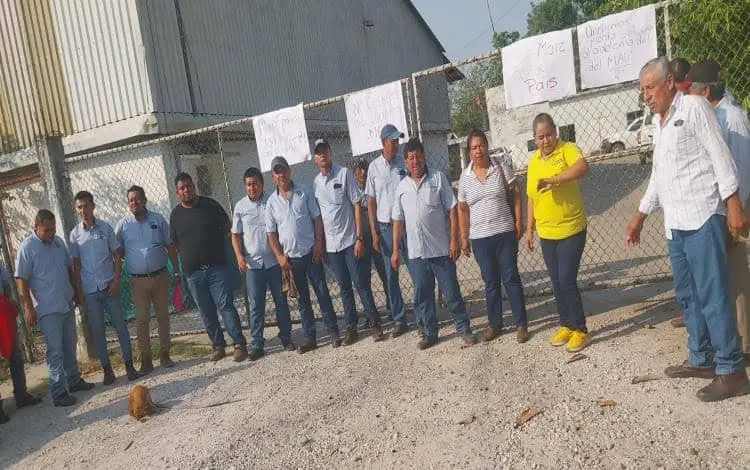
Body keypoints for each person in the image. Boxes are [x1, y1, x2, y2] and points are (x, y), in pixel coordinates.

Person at [625, 57, 749, 402]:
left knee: (713, 295)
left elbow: (721, 156)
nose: (646, 96)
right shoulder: (658, 122)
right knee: (688, 296)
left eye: (650, 87)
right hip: (676, 225)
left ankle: (732, 369)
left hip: (703, 217)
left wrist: (733, 203)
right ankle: (702, 357)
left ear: (669, 83)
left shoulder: (694, 108)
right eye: (643, 90)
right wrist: (640, 215)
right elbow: (659, 174)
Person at [686, 59, 750, 361]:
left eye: (692, 90)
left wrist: (735, 212)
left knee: (736, 276)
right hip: (720, 209)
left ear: (706, 91)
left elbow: (742, 171)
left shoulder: (732, 117)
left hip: (736, 208)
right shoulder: (712, 114)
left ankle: (744, 343)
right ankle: (729, 337)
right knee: (724, 276)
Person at [391, 138, 475, 350]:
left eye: (418, 156)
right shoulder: (401, 187)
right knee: (423, 295)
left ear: (424, 156)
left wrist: (454, 240)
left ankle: (463, 328)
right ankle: (429, 333)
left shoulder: (438, 178)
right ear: (405, 161)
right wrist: (395, 251)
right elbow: (398, 221)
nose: (415, 161)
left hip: (441, 249)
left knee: (451, 292)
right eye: (411, 158)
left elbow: (452, 209)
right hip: (416, 254)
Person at [15, 209, 95, 407]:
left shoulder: (58, 242)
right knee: (55, 351)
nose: (51, 233)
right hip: (48, 308)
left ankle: (73, 380)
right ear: (36, 227)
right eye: (47, 230)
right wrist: (28, 307)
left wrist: (76, 291)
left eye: (53, 229)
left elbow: (68, 268)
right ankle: (58, 392)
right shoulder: (28, 247)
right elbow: (21, 279)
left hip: (66, 302)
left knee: (70, 345)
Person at [525, 113, 590, 353]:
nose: (545, 141)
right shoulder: (533, 161)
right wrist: (529, 229)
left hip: (571, 228)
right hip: (546, 232)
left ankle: (580, 329)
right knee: (556, 282)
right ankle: (566, 324)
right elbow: (531, 196)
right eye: (540, 137)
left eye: (549, 135)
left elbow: (582, 167)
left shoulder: (567, 149)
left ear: (556, 132)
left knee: (566, 279)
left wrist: (555, 179)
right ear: (534, 139)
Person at [458, 130, 529, 343]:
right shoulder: (465, 177)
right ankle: (495, 324)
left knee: (510, 277)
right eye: (474, 147)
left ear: (487, 146)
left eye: (481, 145)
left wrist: (519, 220)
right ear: (469, 152)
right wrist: (464, 237)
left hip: (504, 233)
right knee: (490, 281)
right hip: (480, 238)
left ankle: (521, 324)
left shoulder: (500, 167)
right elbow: (462, 208)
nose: (478, 150)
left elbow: (516, 192)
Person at [265, 156, 341, 353]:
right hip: (291, 259)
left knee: (322, 293)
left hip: (311, 253)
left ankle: (333, 331)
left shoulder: (304, 191)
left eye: (283, 170)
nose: (281, 175)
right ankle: (310, 338)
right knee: (303, 301)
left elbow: (317, 218)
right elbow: (271, 233)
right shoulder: (271, 203)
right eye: (276, 172)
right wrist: (279, 256)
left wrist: (319, 243)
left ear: (289, 171)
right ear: (273, 176)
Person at [170, 173, 248, 363]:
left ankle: (239, 344)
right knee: (205, 310)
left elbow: (227, 228)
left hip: (217, 268)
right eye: (182, 188)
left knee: (225, 305)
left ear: (194, 186)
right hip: (193, 273)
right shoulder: (175, 215)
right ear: (177, 192)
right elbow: (175, 242)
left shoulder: (210, 205)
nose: (187, 190)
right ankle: (218, 345)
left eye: (189, 186)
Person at [312, 139, 384, 344]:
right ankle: (351, 327)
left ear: (330, 152)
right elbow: (319, 216)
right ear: (315, 159)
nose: (322, 155)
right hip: (332, 247)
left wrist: (359, 238)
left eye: (325, 151)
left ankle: (374, 323)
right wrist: (322, 244)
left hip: (350, 241)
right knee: (343, 287)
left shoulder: (343, 174)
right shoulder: (316, 183)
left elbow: (356, 204)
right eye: (318, 153)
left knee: (361, 283)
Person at [69, 191, 138, 385]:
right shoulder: (74, 235)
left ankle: (129, 365)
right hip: (90, 291)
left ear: (93, 206)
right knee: (98, 331)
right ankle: (107, 370)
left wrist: (116, 280)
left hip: (109, 287)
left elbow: (117, 255)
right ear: (76, 210)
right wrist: (79, 292)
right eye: (80, 207)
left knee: (120, 327)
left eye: (86, 206)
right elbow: (76, 266)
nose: (84, 210)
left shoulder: (105, 228)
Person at [231, 167, 295, 360]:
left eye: (255, 184)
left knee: (281, 302)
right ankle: (257, 343)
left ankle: (286, 337)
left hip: (274, 262)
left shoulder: (272, 200)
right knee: (256, 306)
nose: (252, 188)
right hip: (253, 266)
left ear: (262, 184)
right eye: (248, 184)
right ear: (245, 186)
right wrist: (239, 256)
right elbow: (235, 235)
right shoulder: (240, 207)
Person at [115, 186, 177, 375]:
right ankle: (146, 361)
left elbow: (170, 245)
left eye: (137, 199)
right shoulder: (123, 225)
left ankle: (165, 355)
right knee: (142, 321)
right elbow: (118, 252)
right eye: (130, 200)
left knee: (163, 316)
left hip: (160, 276)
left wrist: (176, 271)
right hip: (138, 281)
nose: (134, 203)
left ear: (144, 200)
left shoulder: (158, 220)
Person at [365, 124, 411, 337]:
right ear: (383, 143)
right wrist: (374, 232)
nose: (396, 144)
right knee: (391, 276)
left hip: (407, 226)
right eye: (393, 141)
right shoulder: (374, 168)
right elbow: (371, 201)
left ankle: (423, 313)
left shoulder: (404, 162)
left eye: (397, 141)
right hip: (385, 228)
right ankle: (399, 318)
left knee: (416, 269)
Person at [0, 264, 42, 422]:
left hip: (2, 310)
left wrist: (9, 300)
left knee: (15, 355)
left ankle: (21, 395)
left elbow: (6, 283)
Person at [353, 158, 390, 315]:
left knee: (385, 272)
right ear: (354, 174)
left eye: (365, 170)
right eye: (359, 171)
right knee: (364, 277)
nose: (363, 174)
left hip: (376, 234)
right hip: (362, 237)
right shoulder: (352, 190)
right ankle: (371, 313)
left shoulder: (373, 188)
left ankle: (391, 306)